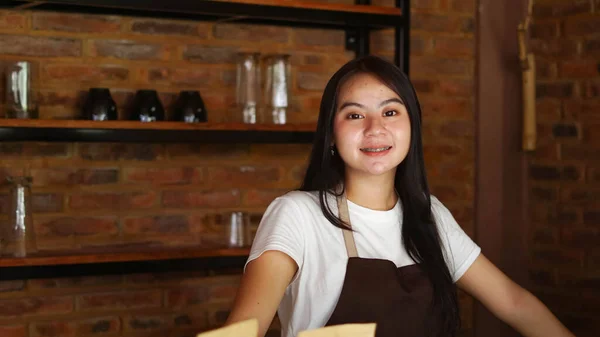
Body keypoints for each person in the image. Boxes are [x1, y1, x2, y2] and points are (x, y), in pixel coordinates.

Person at [225, 55, 574, 337]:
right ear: (331, 134)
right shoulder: (298, 215)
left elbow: (514, 303)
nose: (375, 128)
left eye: (390, 112)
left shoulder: (429, 214)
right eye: (354, 115)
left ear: (412, 127)